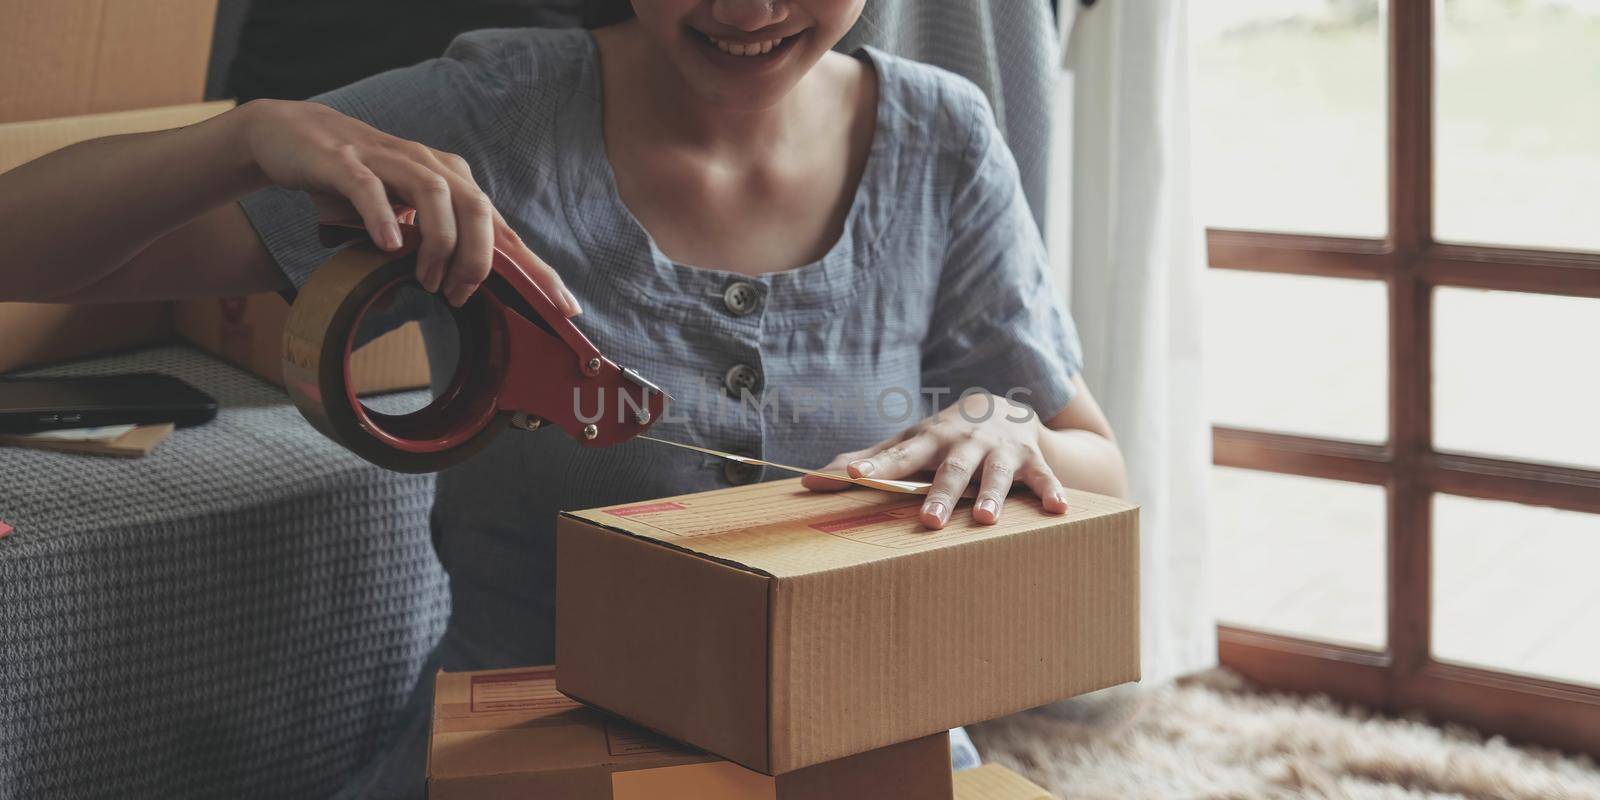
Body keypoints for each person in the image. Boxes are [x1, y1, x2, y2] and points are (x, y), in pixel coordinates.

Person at [0, 0, 1127, 795]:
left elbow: (1096, 465)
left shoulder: (943, 136)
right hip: (534, 762)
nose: (746, 7)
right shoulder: (489, 114)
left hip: (868, 754)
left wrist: (1003, 423)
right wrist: (246, 138)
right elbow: (22, 251)